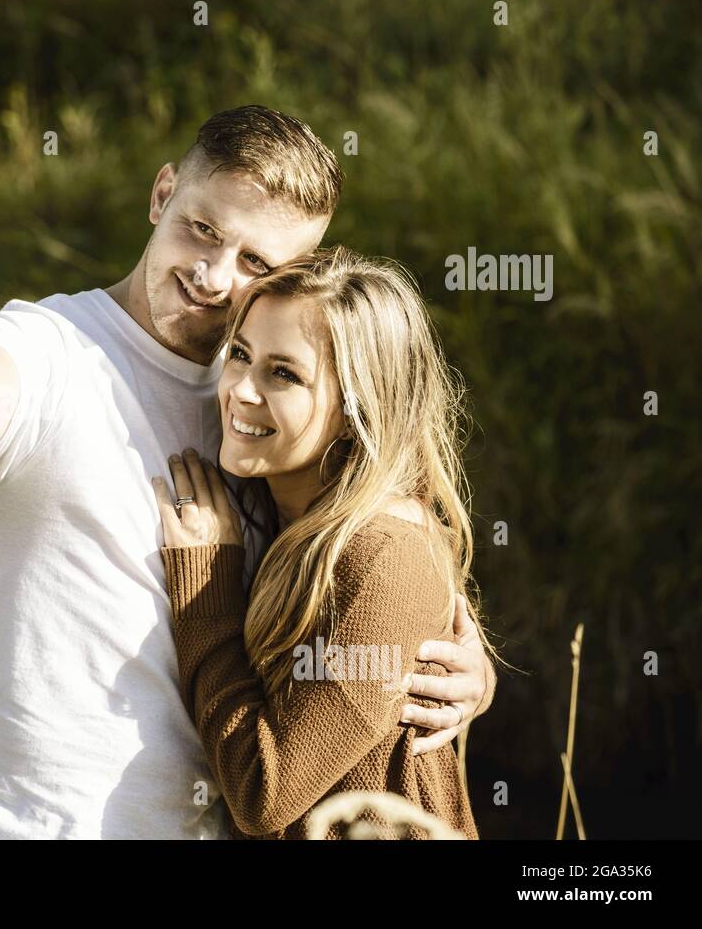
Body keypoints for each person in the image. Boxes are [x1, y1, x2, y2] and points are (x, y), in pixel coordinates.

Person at [0, 105, 496, 839]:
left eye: (258, 264)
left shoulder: (262, 404)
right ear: (162, 196)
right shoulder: (48, 352)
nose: (215, 276)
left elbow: (365, 558)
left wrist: (450, 668)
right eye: (203, 230)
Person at [154, 247, 492, 839]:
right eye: (240, 355)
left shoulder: (380, 557)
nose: (242, 391)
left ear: (358, 405)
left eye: (283, 373)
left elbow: (268, 791)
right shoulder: (282, 511)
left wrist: (206, 590)